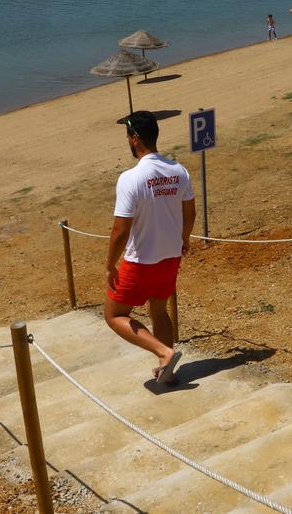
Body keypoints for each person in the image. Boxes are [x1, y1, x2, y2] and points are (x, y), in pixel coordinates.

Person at [105, 111, 197, 385]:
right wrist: (184, 239)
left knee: (114, 315)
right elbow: (190, 214)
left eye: (128, 137)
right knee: (159, 311)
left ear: (134, 139)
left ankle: (163, 352)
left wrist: (110, 264)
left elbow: (120, 230)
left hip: (141, 260)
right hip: (170, 256)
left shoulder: (130, 178)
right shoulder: (179, 171)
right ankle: (168, 373)